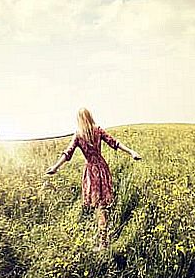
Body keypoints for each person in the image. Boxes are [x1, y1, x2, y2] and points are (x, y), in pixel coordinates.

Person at [46, 108, 141, 252]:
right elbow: (114, 142)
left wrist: (55, 167)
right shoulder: (98, 130)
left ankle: (103, 243)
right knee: (101, 206)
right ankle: (103, 237)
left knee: (100, 208)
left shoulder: (78, 135)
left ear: (79, 119)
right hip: (102, 168)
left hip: (91, 172)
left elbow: (68, 153)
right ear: (90, 117)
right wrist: (131, 152)